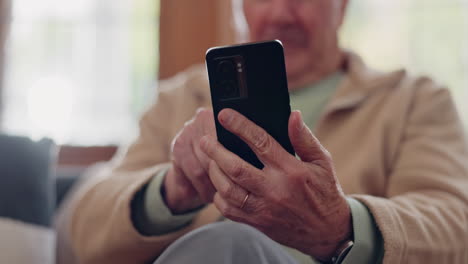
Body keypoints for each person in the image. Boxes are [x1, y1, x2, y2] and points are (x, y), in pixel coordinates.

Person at [58, 0, 468, 263]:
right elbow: (86, 224)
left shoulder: (413, 100)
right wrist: (171, 192)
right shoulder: (179, 100)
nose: (280, 13)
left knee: (230, 244)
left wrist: (340, 225)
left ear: (342, 6)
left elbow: (456, 226)